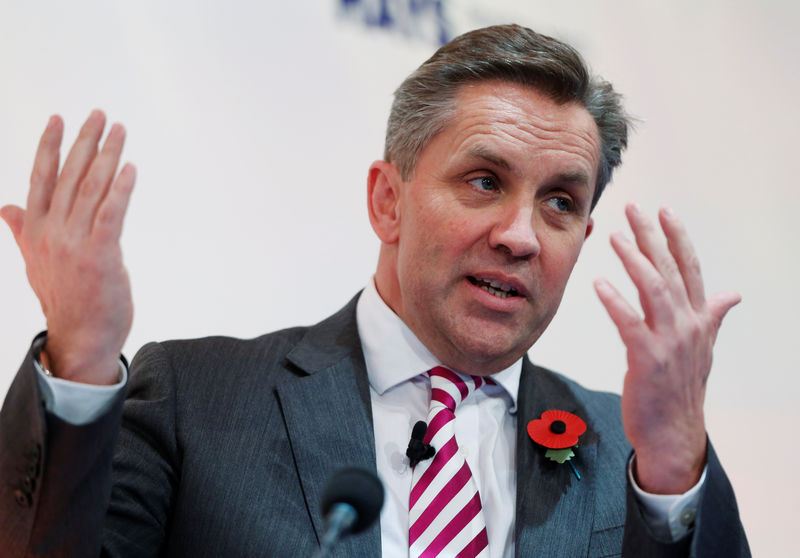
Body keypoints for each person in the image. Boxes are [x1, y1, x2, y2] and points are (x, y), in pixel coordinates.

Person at [0, 24, 749, 557]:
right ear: (387, 201)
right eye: (484, 181)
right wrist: (83, 359)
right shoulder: (197, 402)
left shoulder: (634, 454)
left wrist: (676, 473)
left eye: (559, 202)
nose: (521, 235)